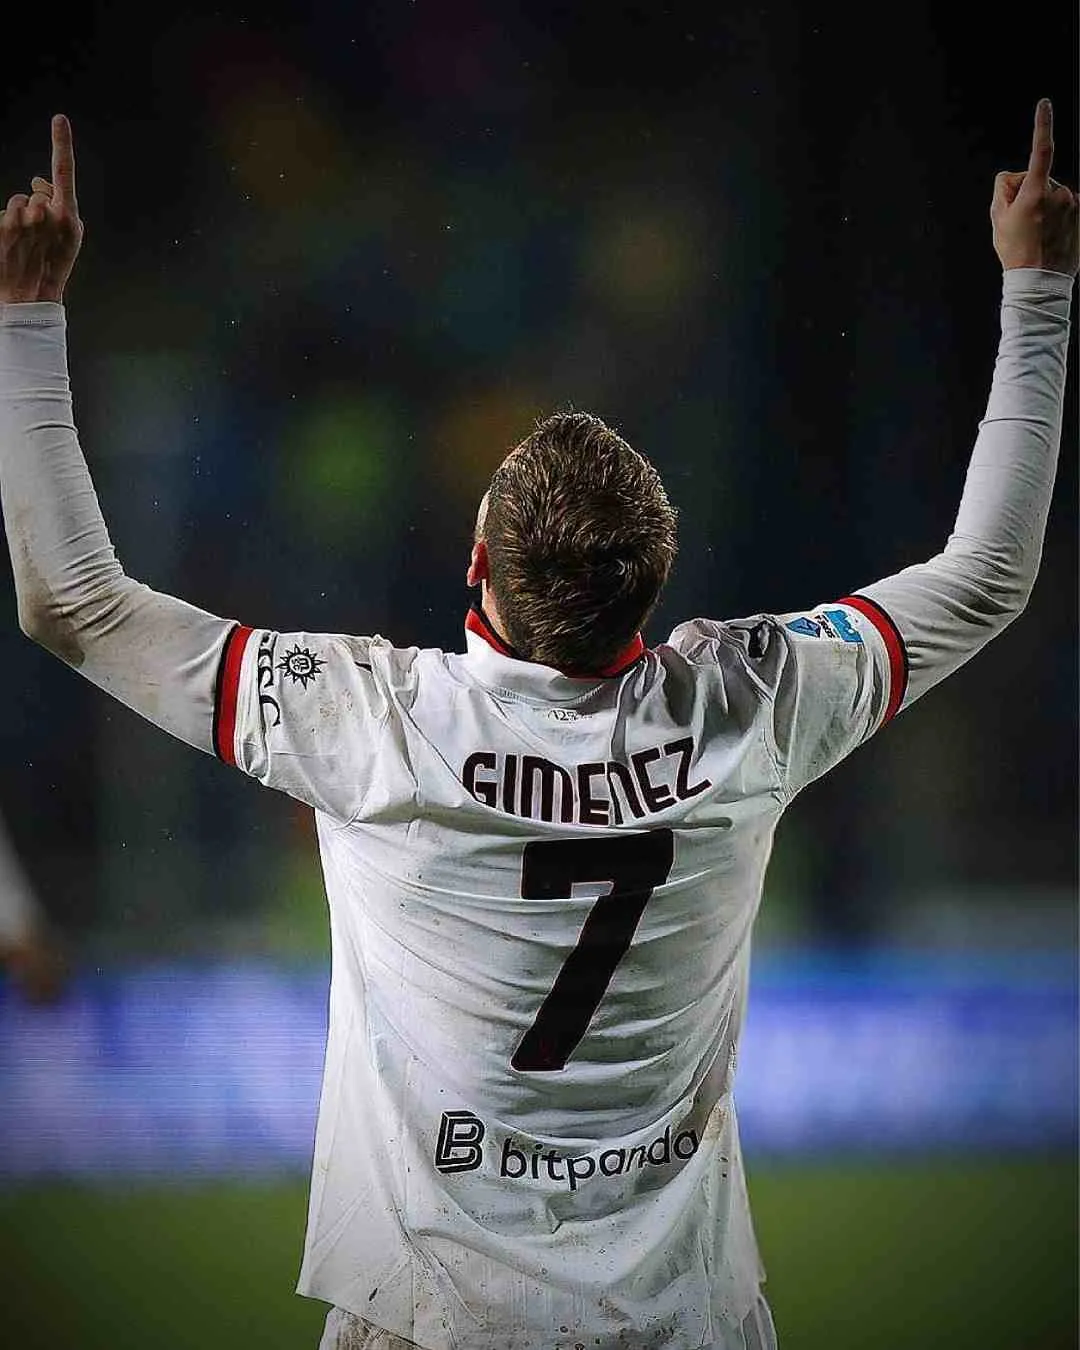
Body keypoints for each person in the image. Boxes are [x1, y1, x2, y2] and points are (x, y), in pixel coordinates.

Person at [0, 101, 1075, 1350]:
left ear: (477, 567)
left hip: (430, 1321)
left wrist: (27, 315)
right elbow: (989, 575)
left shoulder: (372, 717)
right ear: (651, 592)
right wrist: (1038, 291)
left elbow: (71, 601)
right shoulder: (755, 698)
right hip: (687, 1323)